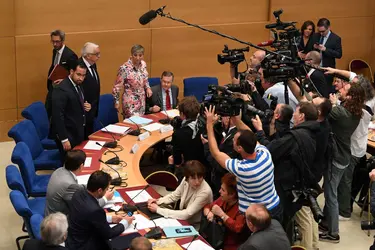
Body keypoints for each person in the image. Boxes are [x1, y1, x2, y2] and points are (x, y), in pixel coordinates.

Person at [205, 106, 282, 221]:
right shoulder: (265, 153)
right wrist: (236, 120)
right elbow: (250, 135)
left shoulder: (242, 169)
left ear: (239, 148)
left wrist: (209, 125)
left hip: (258, 215)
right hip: (275, 206)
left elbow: (216, 153)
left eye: (234, 140)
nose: (232, 141)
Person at [320, 83, 364, 243]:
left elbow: (329, 111)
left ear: (351, 96)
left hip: (336, 159)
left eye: (344, 89)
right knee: (331, 191)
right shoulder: (355, 111)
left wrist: (332, 103)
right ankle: (326, 223)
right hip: (343, 156)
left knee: (331, 195)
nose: (340, 89)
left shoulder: (339, 112)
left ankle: (333, 233)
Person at [67, 171, 134, 250]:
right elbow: (109, 234)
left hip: (71, 239)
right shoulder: (95, 210)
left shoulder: (78, 193)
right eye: (106, 189)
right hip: (83, 245)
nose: (107, 191)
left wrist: (111, 219)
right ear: (99, 190)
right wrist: (125, 222)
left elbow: (86, 217)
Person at [338, 76, 375, 220]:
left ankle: (345, 212)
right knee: (349, 179)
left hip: (353, 149)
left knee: (346, 181)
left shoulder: (360, 111)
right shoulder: (363, 106)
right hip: (357, 148)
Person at [45, 150, 116, 216]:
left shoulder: (60, 170)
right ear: (81, 166)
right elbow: (85, 208)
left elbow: (77, 188)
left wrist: (95, 185)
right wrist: (105, 198)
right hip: (59, 221)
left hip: (52, 211)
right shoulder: (69, 184)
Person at [147, 160, 213, 230]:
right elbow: (174, 196)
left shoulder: (205, 192)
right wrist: (157, 201)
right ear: (187, 177)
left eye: (200, 177)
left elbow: (187, 214)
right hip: (181, 220)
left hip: (194, 226)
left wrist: (158, 210)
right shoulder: (185, 180)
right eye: (193, 178)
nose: (197, 182)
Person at [51, 61, 91, 155]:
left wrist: (86, 106)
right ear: (71, 71)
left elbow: (77, 104)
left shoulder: (79, 85)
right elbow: (57, 116)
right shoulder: (61, 89)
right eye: (78, 74)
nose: (81, 78)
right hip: (68, 134)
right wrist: (64, 139)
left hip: (78, 131)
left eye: (83, 75)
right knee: (69, 165)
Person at [203, 173, 246, 250]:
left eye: (223, 190)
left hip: (231, 245)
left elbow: (238, 228)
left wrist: (222, 215)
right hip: (215, 238)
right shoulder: (223, 199)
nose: (219, 191)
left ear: (232, 195)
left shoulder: (241, 208)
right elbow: (207, 206)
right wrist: (209, 213)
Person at [201, 116, 239, 198]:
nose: (223, 118)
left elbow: (219, 163)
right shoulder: (226, 130)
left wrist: (207, 146)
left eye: (226, 116)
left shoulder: (234, 138)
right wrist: (212, 125)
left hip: (223, 177)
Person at [112, 44, 152, 118]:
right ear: (131, 55)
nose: (137, 58)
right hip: (130, 101)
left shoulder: (143, 64)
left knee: (141, 123)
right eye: (135, 55)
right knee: (132, 124)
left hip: (142, 100)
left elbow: (145, 78)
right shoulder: (125, 68)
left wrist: (148, 87)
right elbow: (117, 87)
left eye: (140, 55)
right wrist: (116, 102)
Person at [46, 29, 78, 119]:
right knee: (49, 113)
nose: (55, 44)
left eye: (57, 42)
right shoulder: (54, 51)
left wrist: (65, 80)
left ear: (63, 41)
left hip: (63, 91)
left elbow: (75, 75)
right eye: (53, 41)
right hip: (53, 88)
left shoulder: (70, 55)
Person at [170, 96, 205, 170]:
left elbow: (177, 162)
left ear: (182, 114)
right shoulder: (203, 123)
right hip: (204, 164)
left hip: (188, 168)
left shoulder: (178, 134)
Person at [79, 42, 101, 139]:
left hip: (92, 109)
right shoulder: (79, 67)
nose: (99, 56)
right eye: (96, 54)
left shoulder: (92, 64)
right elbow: (76, 89)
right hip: (83, 110)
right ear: (88, 55)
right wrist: (83, 103)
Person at [313, 18, 342, 87]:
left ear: (328, 28)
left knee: (326, 91)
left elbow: (339, 54)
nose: (321, 33)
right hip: (315, 68)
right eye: (319, 31)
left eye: (323, 31)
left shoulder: (336, 38)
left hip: (327, 70)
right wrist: (314, 47)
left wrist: (325, 49)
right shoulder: (315, 36)